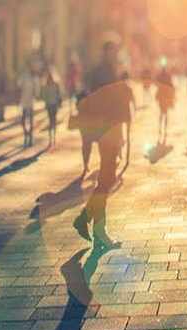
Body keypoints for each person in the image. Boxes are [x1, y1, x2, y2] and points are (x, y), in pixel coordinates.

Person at [71, 41, 132, 250]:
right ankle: (97, 229)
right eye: (113, 51)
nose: (116, 55)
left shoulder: (107, 72)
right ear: (107, 52)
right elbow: (108, 102)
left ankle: (89, 221)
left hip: (108, 131)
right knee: (107, 178)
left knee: (107, 178)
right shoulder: (104, 74)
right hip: (107, 131)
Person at [18, 63, 40, 147]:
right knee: (23, 120)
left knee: (31, 120)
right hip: (23, 100)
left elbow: (37, 92)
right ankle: (26, 134)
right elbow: (19, 84)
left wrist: (36, 95)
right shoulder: (24, 76)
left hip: (31, 101)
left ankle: (30, 136)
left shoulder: (35, 78)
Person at [42, 70, 63, 147]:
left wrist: (59, 103)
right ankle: (51, 138)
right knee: (51, 121)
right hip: (49, 105)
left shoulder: (55, 85)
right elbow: (44, 96)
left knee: (53, 121)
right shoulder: (46, 86)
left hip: (54, 105)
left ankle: (53, 137)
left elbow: (59, 95)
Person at [154, 65, 175, 141]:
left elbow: (156, 83)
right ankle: (163, 128)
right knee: (165, 113)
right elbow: (171, 85)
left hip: (162, 96)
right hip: (165, 96)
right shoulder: (167, 76)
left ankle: (161, 128)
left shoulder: (159, 76)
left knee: (162, 113)